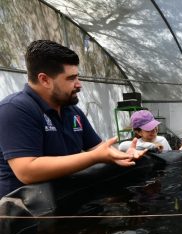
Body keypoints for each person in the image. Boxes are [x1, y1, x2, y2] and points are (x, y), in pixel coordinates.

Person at [0, 40, 145, 198]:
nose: (79, 85)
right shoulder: (14, 109)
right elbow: (27, 172)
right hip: (23, 213)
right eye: (71, 78)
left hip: (63, 199)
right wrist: (94, 157)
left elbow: (97, 148)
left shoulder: (72, 111)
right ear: (44, 80)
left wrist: (122, 155)